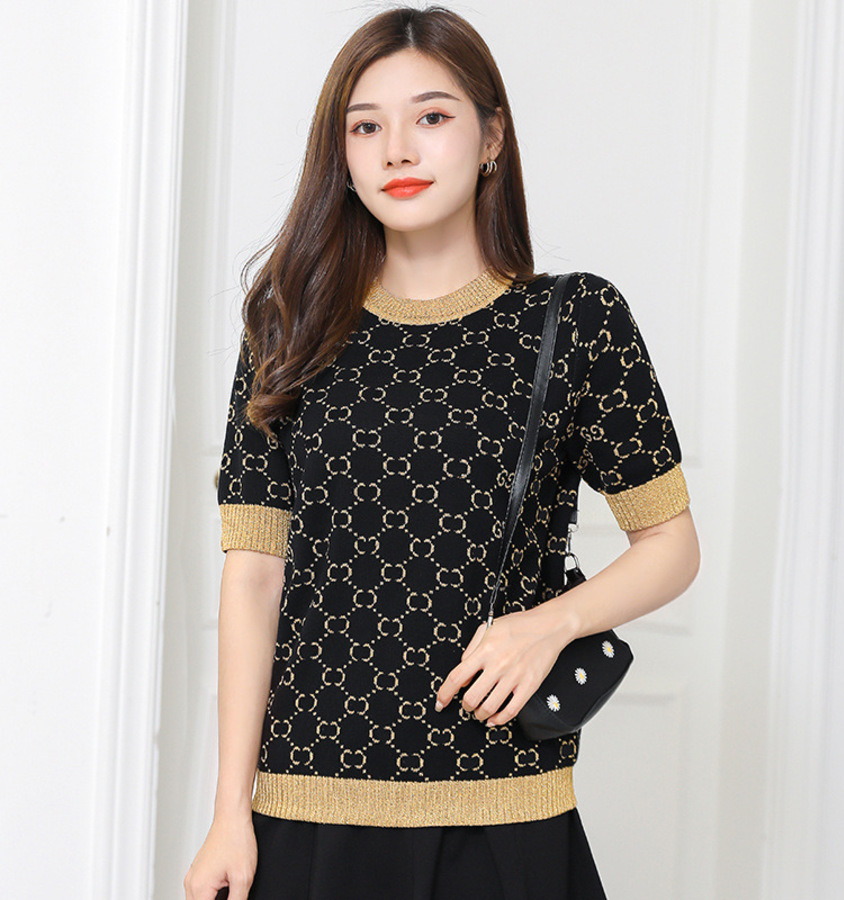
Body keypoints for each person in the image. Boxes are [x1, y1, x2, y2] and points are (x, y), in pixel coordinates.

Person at [183, 5, 701, 899]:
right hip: (307, 811)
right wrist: (231, 812)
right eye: (365, 127)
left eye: (431, 116)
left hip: (505, 817)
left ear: (492, 135)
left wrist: (549, 625)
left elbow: (672, 545)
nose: (397, 150)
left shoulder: (576, 322)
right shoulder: (285, 327)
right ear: (341, 155)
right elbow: (254, 575)